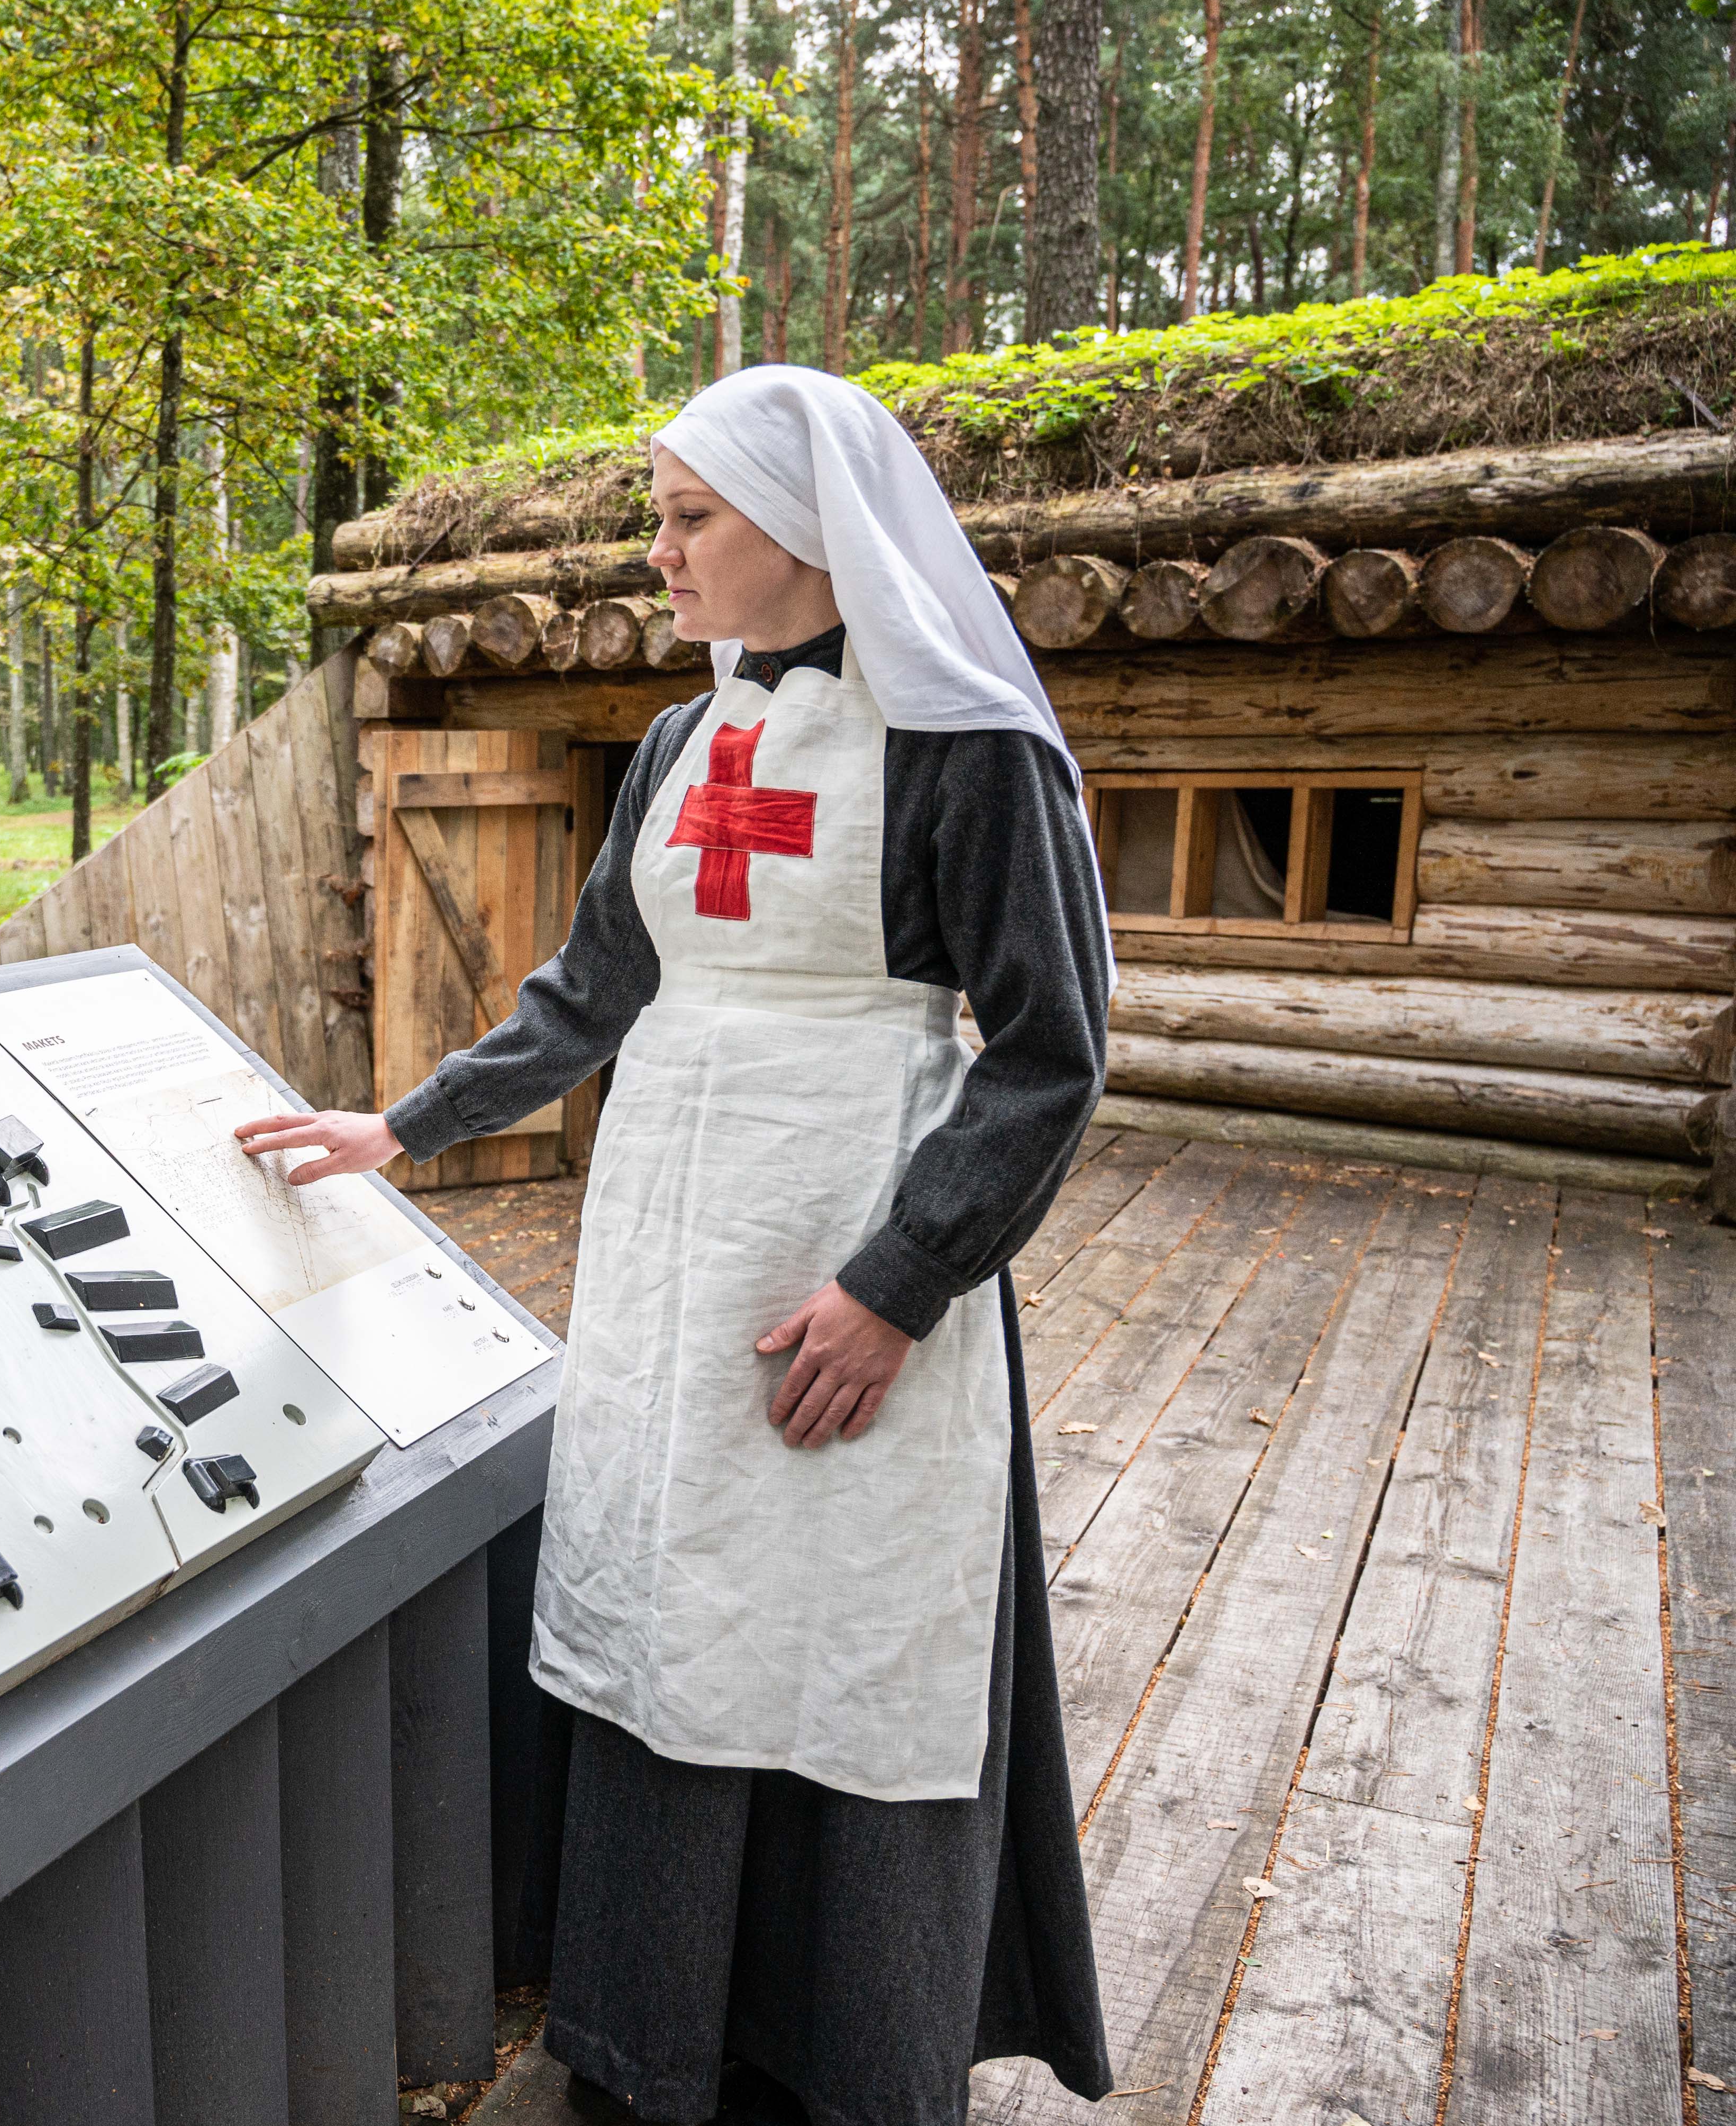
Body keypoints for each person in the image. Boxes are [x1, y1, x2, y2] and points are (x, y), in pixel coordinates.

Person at [237, 366, 1116, 2125]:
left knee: (839, 1626)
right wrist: (398, 1126)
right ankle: (649, 2036)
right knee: (671, 1604)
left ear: (802, 530)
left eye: (686, 517)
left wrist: (895, 1286)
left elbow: (1047, 1049)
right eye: (660, 514)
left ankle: (842, 2052)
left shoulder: (964, 749)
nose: (657, 553)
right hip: (667, 1244)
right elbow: (593, 993)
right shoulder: (675, 742)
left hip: (841, 1238)